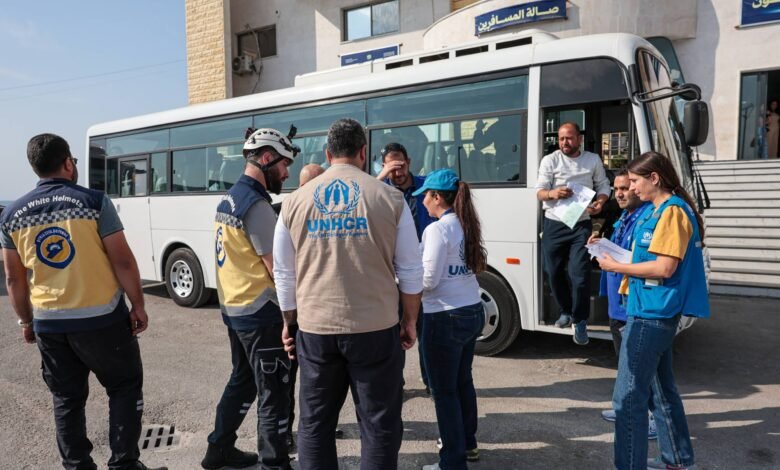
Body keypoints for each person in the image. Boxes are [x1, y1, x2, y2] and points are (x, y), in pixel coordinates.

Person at [0, 134, 166, 470]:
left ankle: (77, 466)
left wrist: (26, 321)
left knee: (66, 399)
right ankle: (124, 464)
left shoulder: (11, 215)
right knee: (123, 386)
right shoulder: (93, 201)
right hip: (102, 320)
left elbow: (14, 279)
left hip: (49, 322)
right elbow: (122, 260)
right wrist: (138, 305)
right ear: (68, 163)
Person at [273, 118, 423, 470]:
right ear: (363, 152)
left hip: (316, 329)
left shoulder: (294, 203)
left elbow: (284, 273)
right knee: (379, 424)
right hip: (375, 327)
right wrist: (410, 320)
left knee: (314, 424)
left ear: (327, 154)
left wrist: (289, 322)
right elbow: (411, 271)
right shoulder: (391, 199)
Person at [597, 152, 709, 470]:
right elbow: (642, 255)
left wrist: (616, 266)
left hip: (652, 314)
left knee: (626, 401)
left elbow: (664, 267)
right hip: (647, 309)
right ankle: (677, 460)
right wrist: (608, 250)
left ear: (654, 178)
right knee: (661, 391)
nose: (630, 188)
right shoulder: (655, 211)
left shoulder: (672, 213)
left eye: (634, 181)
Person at [202, 127, 298, 470]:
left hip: (235, 311)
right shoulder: (256, 205)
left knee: (242, 383)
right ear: (267, 158)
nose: (287, 173)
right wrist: (293, 317)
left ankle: (218, 450)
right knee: (274, 392)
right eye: (284, 164)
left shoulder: (229, 199)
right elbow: (279, 270)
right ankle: (275, 464)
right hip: (261, 315)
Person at [413, 169, 486, 470]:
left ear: (437, 197)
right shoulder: (466, 223)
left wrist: (398, 281)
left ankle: (452, 463)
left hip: (444, 315)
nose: (423, 203)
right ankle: (468, 445)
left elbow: (427, 281)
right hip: (471, 308)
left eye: (426, 197)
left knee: (444, 393)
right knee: (462, 383)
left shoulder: (436, 230)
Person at [587, 170, 656, 439]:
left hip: (632, 302)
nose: (620, 193)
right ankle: (622, 406)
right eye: (616, 188)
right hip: (617, 301)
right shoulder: (624, 216)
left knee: (638, 366)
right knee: (624, 361)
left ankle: (650, 417)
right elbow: (618, 248)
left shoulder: (647, 217)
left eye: (626, 187)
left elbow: (641, 259)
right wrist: (600, 244)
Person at [535, 122, 611, 345]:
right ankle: (565, 310)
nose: (564, 143)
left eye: (569, 138)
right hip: (554, 223)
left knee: (580, 275)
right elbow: (539, 192)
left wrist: (600, 203)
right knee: (552, 271)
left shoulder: (592, 159)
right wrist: (553, 192)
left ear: (579, 139)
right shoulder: (550, 160)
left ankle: (580, 320)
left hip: (581, 225)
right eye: (560, 139)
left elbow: (604, 185)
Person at [376, 141, 436, 392]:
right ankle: (395, 385)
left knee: (426, 334)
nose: (397, 173)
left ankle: (431, 382)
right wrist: (381, 177)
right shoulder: (378, 191)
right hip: (392, 276)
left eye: (400, 166)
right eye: (391, 168)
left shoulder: (426, 187)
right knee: (394, 336)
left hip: (422, 273)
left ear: (409, 161)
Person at [283, 162, 326, 452]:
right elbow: (280, 270)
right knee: (289, 375)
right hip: (297, 309)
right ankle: (286, 429)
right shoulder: (288, 211)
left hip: (313, 308)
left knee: (318, 379)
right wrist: (286, 320)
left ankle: (321, 425)